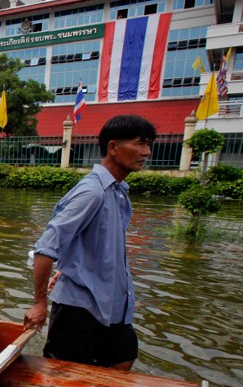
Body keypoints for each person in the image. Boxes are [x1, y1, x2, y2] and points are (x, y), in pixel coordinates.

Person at [23, 115, 155, 371]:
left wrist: (66, 267)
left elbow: (93, 245)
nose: (146, 152)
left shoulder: (118, 193)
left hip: (113, 306)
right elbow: (45, 249)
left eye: (148, 145)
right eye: (140, 144)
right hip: (80, 309)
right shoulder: (91, 193)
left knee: (122, 360)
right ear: (113, 147)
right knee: (61, 379)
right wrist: (39, 303)